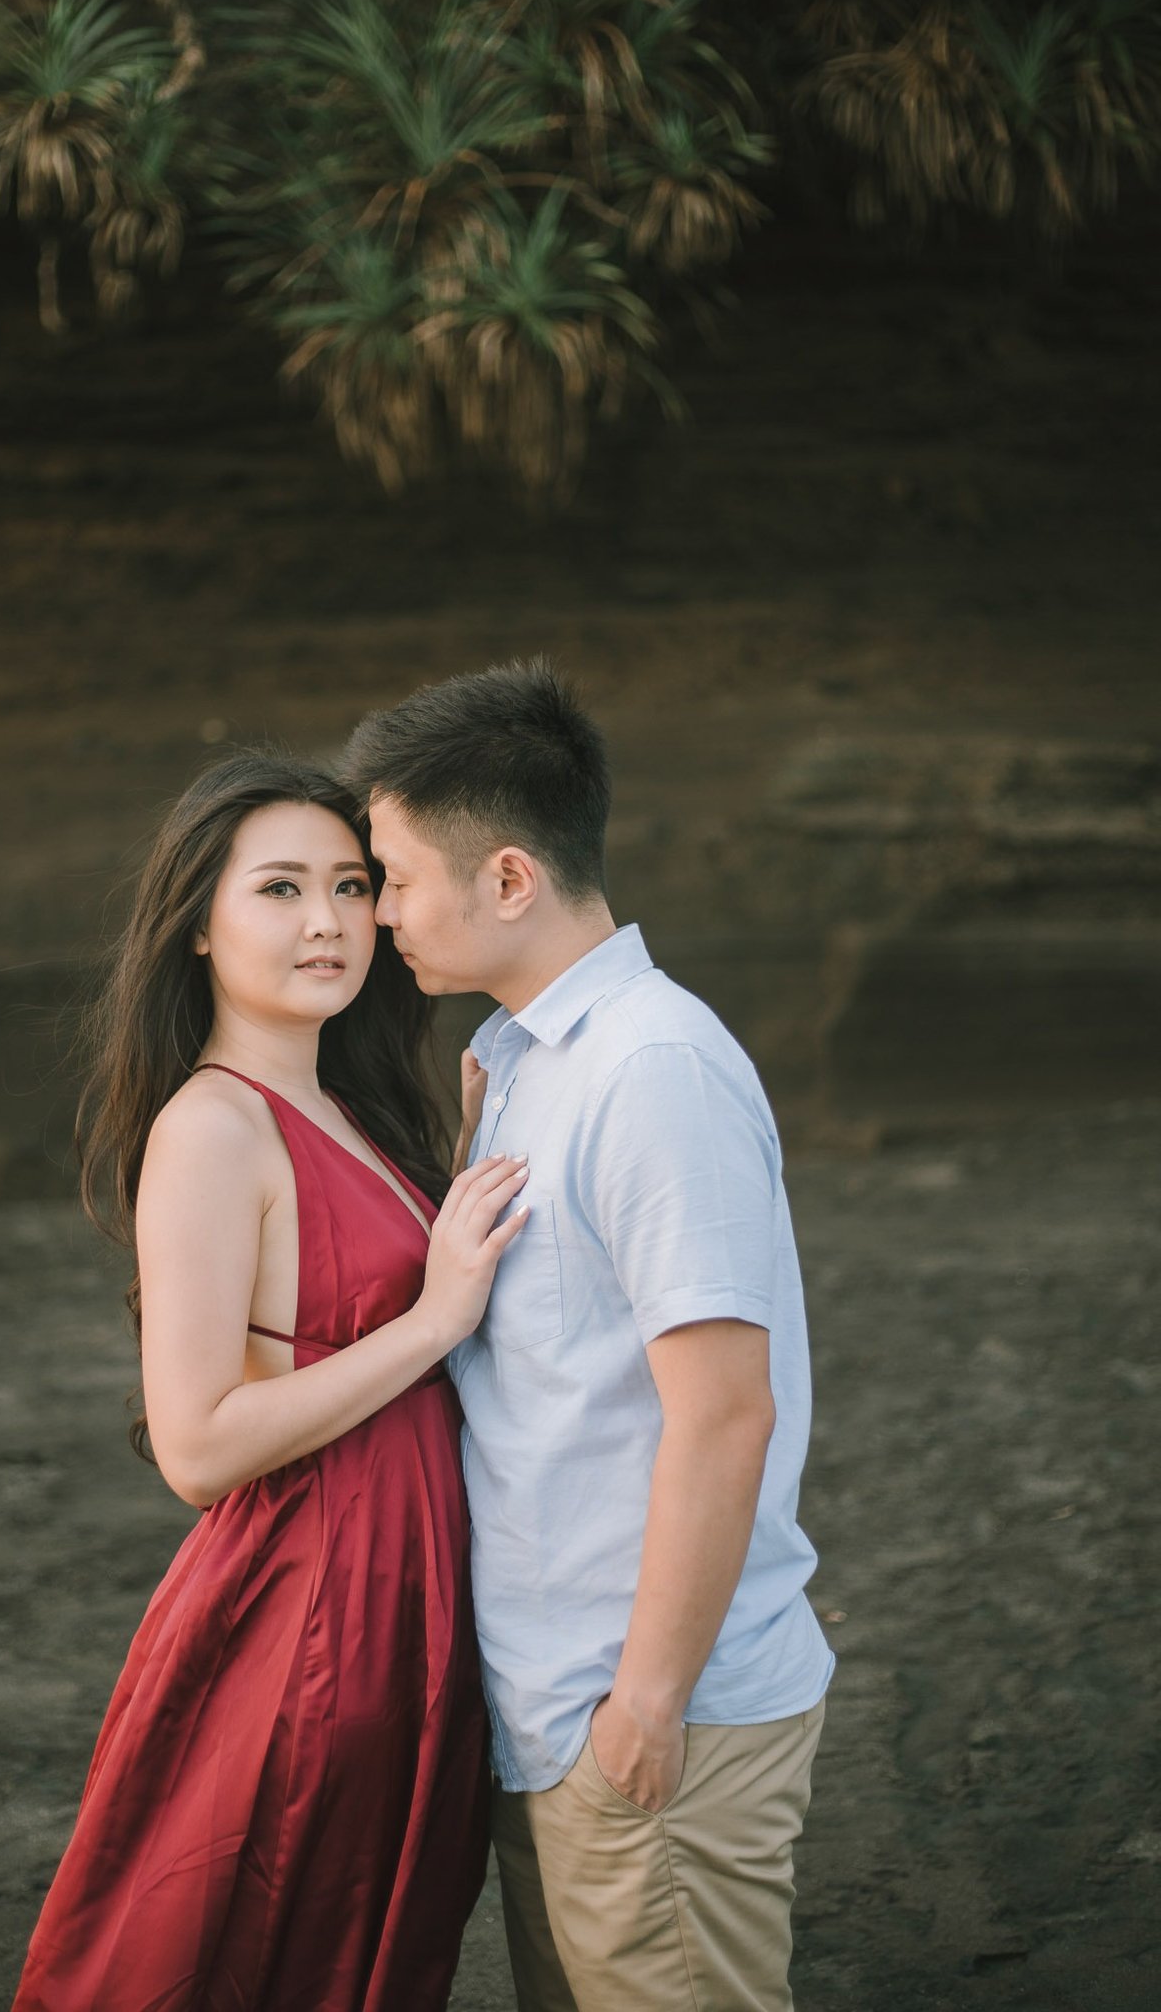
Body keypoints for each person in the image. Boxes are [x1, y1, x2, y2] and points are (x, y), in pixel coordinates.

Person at [342, 661, 836, 2012]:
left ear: (508, 879)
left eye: (392, 878)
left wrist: (648, 1705)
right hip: (553, 1708)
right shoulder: (515, 1062)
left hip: (648, 1717)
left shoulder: (651, 1072)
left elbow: (727, 1410)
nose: (378, 915)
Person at [10, 751, 529, 2012]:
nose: (327, 923)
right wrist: (436, 1317)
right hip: (310, 1620)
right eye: (281, 889)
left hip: (405, 1610)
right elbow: (197, 1446)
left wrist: (457, 1164)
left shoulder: (349, 1104)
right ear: (197, 924)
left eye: (352, 887)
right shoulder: (211, 1127)